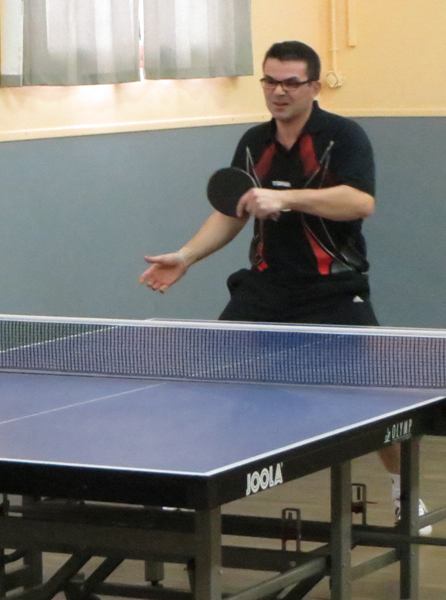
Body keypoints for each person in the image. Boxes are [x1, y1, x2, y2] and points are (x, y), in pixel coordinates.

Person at [139, 41, 428, 532]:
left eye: (291, 82)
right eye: (270, 81)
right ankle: (183, 486)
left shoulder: (342, 136)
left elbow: (360, 202)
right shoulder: (254, 142)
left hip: (333, 287)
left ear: (313, 86)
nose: (279, 91)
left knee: (376, 398)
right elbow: (232, 212)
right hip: (265, 287)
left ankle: (405, 492)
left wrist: (289, 199)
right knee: (207, 379)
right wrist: (186, 256)